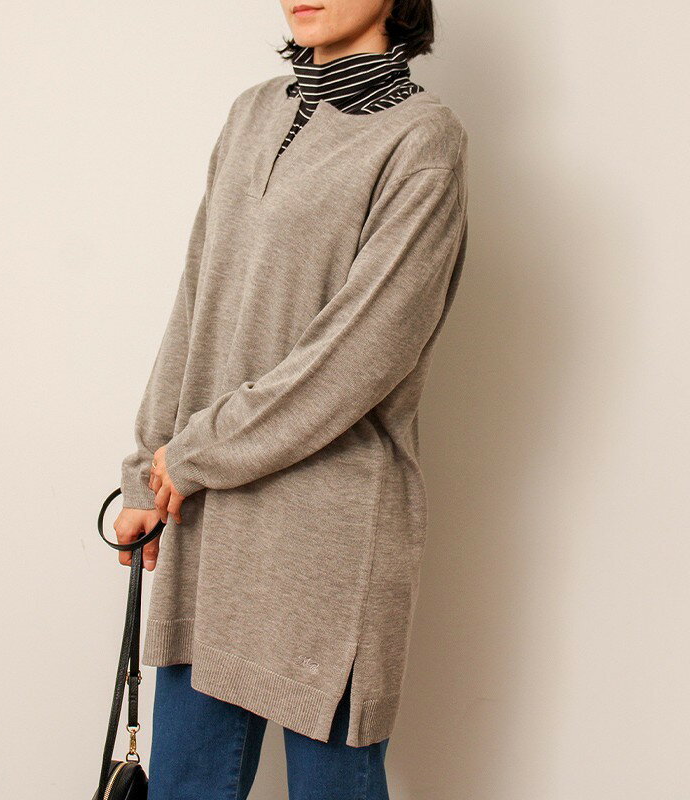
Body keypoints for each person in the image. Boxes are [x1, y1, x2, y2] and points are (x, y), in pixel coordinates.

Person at [114, 0, 468, 797]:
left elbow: (360, 354)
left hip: (329, 541)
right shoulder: (251, 114)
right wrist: (148, 469)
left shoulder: (422, 140)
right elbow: (197, 299)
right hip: (208, 520)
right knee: (185, 786)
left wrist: (192, 454)